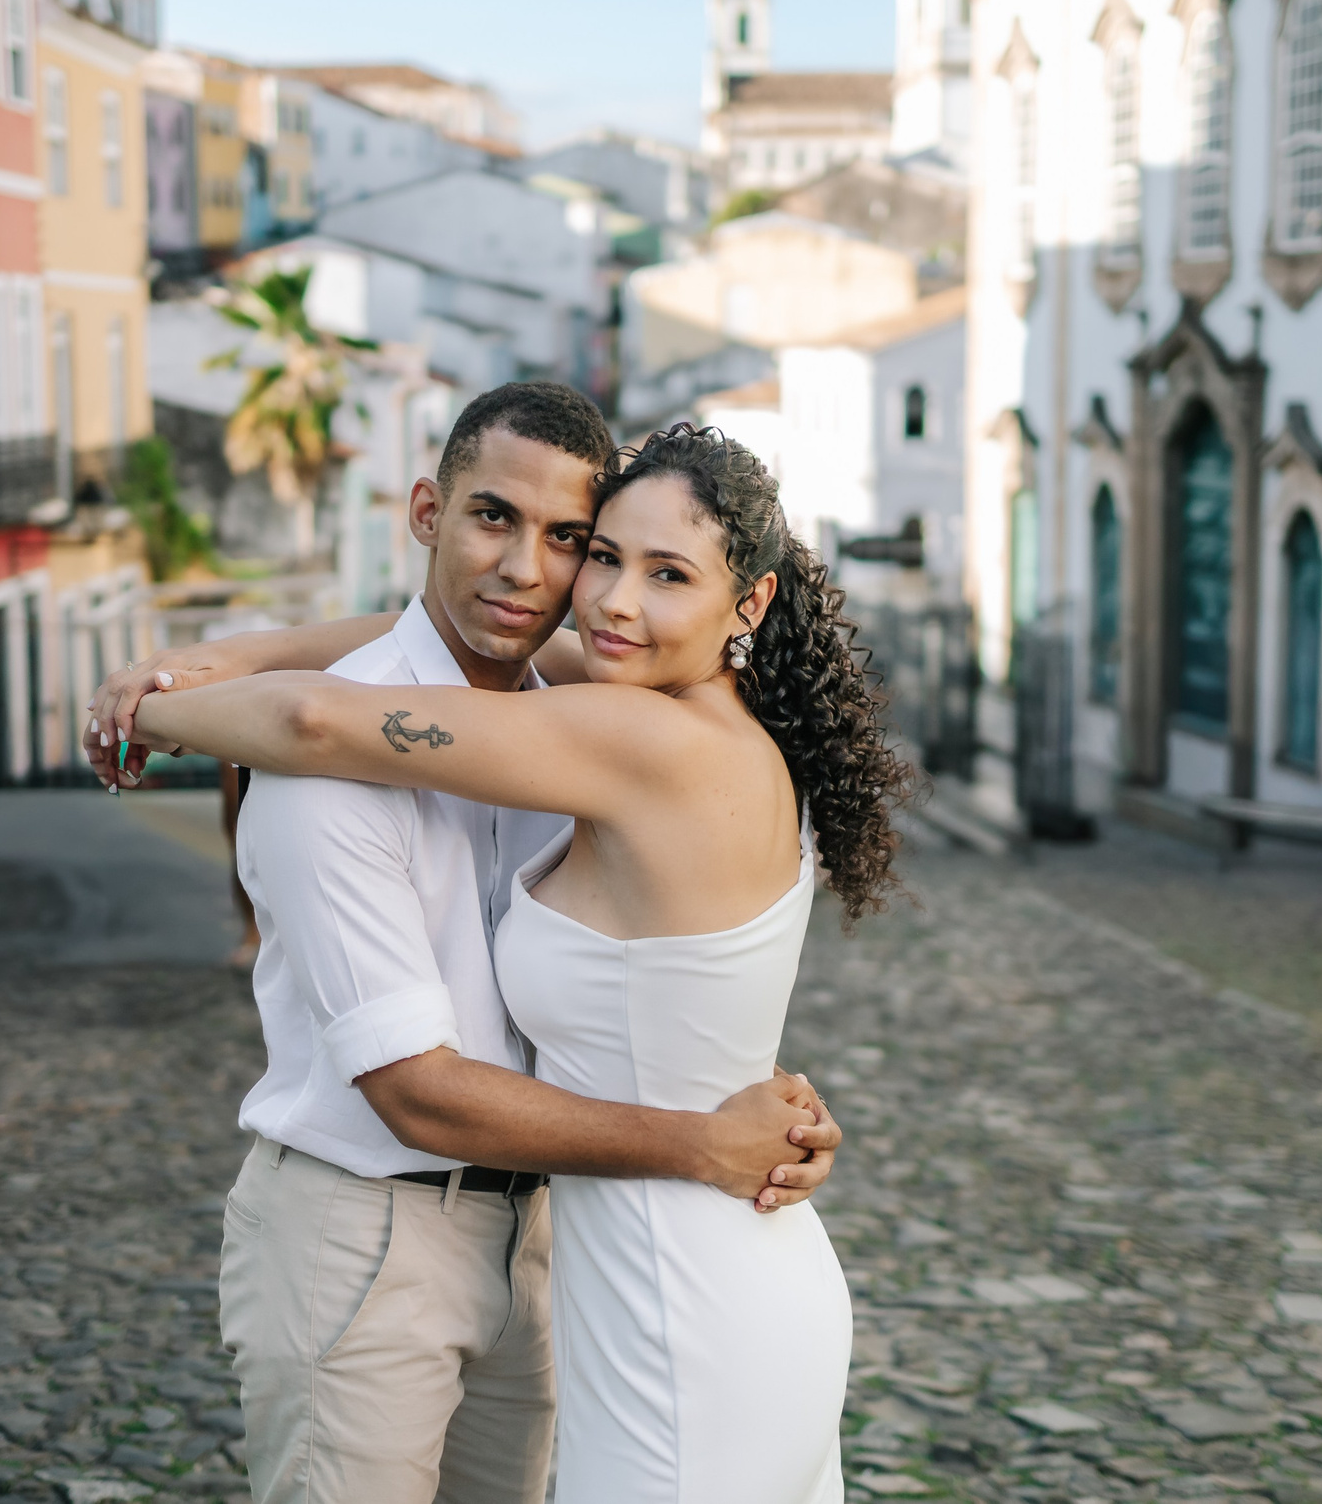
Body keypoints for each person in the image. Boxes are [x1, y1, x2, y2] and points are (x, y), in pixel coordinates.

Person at [112, 419, 912, 1504]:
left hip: (676, 1282)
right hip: (690, 1260)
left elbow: (309, 717)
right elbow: (475, 639)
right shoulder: (700, 719)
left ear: (750, 603)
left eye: (667, 573)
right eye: (606, 557)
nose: (611, 601)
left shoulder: (636, 737)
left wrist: (147, 709)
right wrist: (244, 651)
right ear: (430, 514)